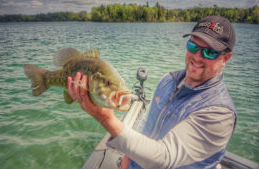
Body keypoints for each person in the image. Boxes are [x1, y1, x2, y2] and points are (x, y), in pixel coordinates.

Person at [67, 15, 237, 169]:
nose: (197, 57)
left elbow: (164, 158)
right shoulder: (167, 81)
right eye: (193, 46)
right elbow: (144, 128)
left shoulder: (220, 114)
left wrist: (105, 117)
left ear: (226, 58)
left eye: (209, 52)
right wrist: (125, 164)